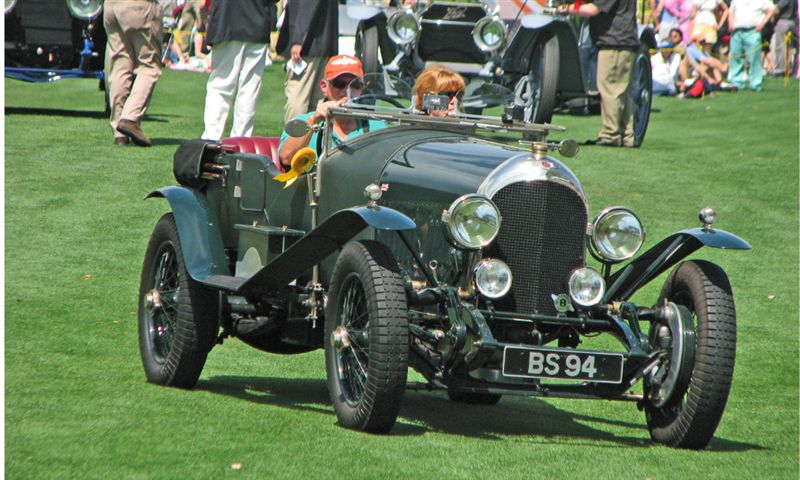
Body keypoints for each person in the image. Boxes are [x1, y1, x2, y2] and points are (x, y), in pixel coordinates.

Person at [278, 55, 385, 167]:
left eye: (355, 85)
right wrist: (313, 121)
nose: (347, 91)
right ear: (324, 87)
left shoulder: (376, 126)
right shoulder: (303, 122)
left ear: (362, 88)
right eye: (340, 84)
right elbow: (286, 159)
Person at [561, 0, 639, 147]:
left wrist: (565, 8)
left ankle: (610, 135)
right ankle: (627, 135)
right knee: (622, 92)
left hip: (614, 43)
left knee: (609, 89)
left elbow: (592, 9)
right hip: (625, 42)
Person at [200, 0, 275, 141]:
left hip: (227, 21)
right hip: (258, 21)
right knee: (250, 88)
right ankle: (241, 140)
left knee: (221, 85)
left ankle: (212, 137)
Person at [103, 0, 163, 146]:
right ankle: (130, 119)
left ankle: (119, 131)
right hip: (140, 7)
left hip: (111, 6)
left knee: (120, 65)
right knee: (150, 66)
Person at [276, 0, 339, 125]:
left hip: (308, 45)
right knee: (317, 101)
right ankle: (314, 140)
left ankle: (294, 138)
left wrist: (298, 39)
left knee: (298, 98)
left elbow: (308, 5)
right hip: (324, 44)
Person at [727, 0, 778, 91]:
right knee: (736, 57)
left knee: (754, 58)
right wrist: (730, 23)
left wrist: (763, 23)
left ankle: (755, 84)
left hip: (753, 31)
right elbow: (731, 11)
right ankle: (736, 82)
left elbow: (772, 9)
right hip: (737, 31)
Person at [770, 0, 797, 76]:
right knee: (788, 47)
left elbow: (777, 9)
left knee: (781, 46)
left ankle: (781, 69)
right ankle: (788, 67)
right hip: (791, 21)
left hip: (784, 21)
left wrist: (772, 17)